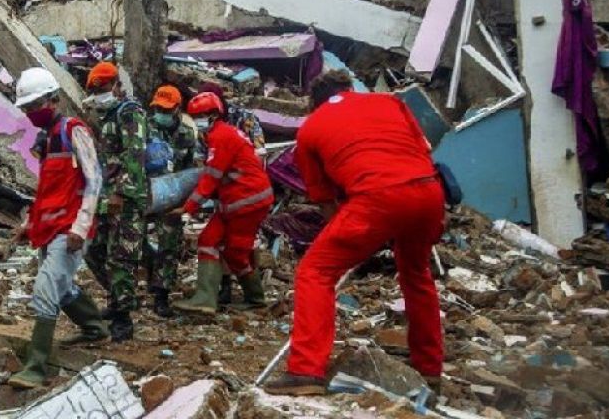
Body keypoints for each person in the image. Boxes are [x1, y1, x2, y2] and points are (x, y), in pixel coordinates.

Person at [263, 70, 445, 396]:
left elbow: (325, 202)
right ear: (350, 88)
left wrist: (356, 238)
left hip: (376, 198)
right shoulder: (390, 102)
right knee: (416, 273)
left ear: (314, 103)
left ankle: (306, 370)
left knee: (315, 271)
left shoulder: (311, 129)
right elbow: (422, 149)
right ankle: (429, 368)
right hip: (429, 192)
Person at [7, 68, 107, 389]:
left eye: (35, 104)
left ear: (54, 99)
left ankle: (36, 367)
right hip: (49, 226)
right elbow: (46, 191)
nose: (31, 112)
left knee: (45, 290)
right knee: (61, 287)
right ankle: (94, 326)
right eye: (26, 107)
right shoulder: (48, 140)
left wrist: (81, 226)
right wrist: (29, 223)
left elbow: (94, 180)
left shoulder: (74, 131)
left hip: (70, 228)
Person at [175, 92, 273, 316]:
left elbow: (211, 177)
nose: (198, 120)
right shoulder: (220, 134)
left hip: (246, 202)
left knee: (236, 253)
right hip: (237, 201)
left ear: (213, 115)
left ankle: (255, 299)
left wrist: (188, 208)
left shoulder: (221, 138)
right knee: (208, 240)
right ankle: (205, 299)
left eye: (201, 115)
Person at [81, 62, 148, 342]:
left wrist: (122, 192)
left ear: (117, 86)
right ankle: (119, 299)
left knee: (121, 257)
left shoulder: (130, 112)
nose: (100, 94)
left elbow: (135, 154)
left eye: (104, 88)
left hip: (127, 198)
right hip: (108, 196)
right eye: (95, 90)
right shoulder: (109, 115)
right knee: (94, 250)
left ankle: (123, 319)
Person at [144, 85, 197, 318]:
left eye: (165, 109)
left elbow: (189, 169)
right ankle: (149, 270)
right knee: (132, 240)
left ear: (177, 109)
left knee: (170, 242)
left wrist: (184, 203)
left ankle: (161, 294)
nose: (160, 113)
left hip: (173, 193)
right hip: (147, 190)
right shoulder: (146, 126)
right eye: (157, 108)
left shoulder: (187, 134)